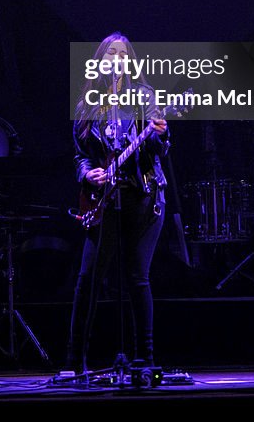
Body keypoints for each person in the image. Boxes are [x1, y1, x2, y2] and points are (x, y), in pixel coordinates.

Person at [66, 32, 169, 376]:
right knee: (89, 278)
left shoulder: (144, 97)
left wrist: (160, 134)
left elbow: (158, 152)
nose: (118, 57)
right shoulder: (86, 104)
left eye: (123, 53)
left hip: (143, 196)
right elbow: (80, 155)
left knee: (137, 277)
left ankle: (146, 359)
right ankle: (74, 361)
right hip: (104, 201)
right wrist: (87, 174)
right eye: (112, 52)